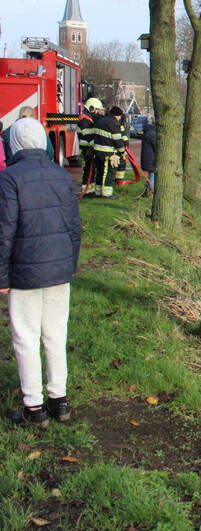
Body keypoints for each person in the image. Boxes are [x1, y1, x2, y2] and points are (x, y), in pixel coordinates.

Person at [0, 118, 82, 426]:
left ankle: (33, 407)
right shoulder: (61, 176)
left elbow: (4, 231)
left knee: (25, 337)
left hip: (24, 271)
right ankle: (59, 401)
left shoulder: (9, 179)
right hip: (60, 270)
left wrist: (1, 277)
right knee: (55, 334)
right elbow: (75, 228)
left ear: (16, 142)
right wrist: (69, 265)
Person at [81, 102, 126, 198]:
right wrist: (122, 152)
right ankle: (107, 194)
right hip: (108, 152)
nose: (119, 119)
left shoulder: (101, 121)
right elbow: (117, 140)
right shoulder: (114, 124)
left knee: (100, 172)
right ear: (116, 115)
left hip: (97, 151)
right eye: (119, 117)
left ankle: (98, 192)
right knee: (109, 172)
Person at [77, 98, 103, 195]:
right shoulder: (84, 119)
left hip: (89, 147)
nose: (97, 112)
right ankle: (86, 191)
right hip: (86, 148)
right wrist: (95, 145)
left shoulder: (89, 118)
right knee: (88, 170)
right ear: (91, 108)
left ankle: (90, 190)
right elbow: (87, 134)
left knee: (91, 170)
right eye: (96, 109)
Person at [140, 118, 157, 197]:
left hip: (146, 159)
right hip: (151, 159)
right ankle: (151, 191)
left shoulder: (147, 132)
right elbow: (156, 146)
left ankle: (149, 189)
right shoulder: (152, 134)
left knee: (151, 173)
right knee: (152, 172)